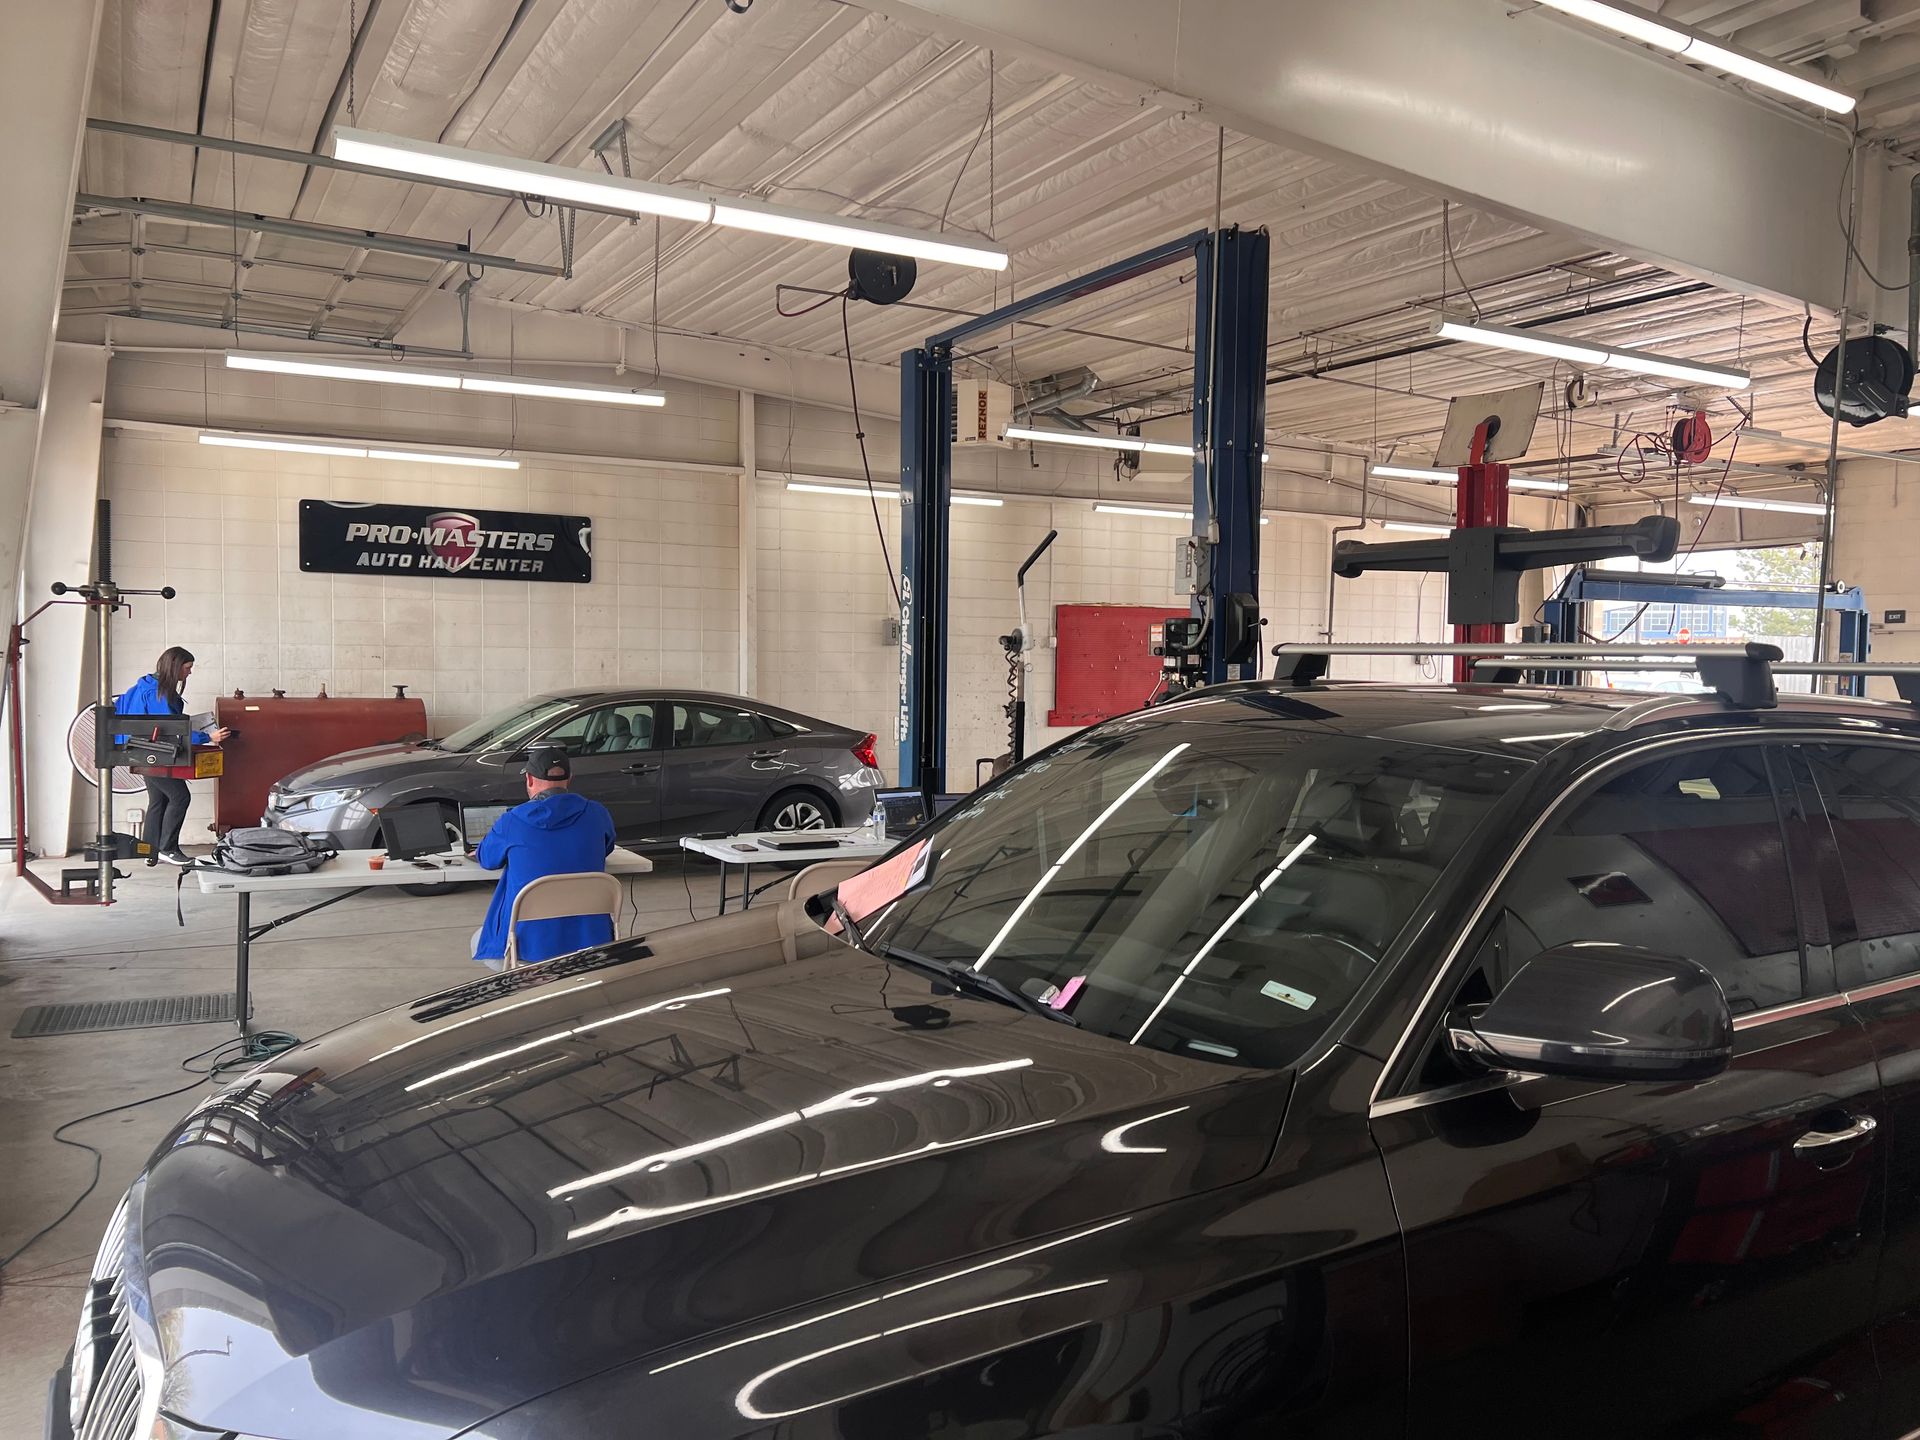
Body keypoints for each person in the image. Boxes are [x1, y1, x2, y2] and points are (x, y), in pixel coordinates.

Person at [471, 744, 617, 969]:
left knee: (477, 941)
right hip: (591, 943)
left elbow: (488, 860)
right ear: (570, 779)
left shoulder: (513, 821)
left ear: (529, 779)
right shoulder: (597, 813)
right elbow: (606, 847)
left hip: (528, 947)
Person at [113, 646, 229, 866]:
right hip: (155, 753)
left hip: (139, 751)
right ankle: (168, 849)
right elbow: (170, 729)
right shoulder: (159, 692)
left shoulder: (142, 686)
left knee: (158, 799)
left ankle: (150, 851)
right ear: (175, 666)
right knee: (180, 797)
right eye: (187, 668)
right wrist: (207, 736)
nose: (189, 673)